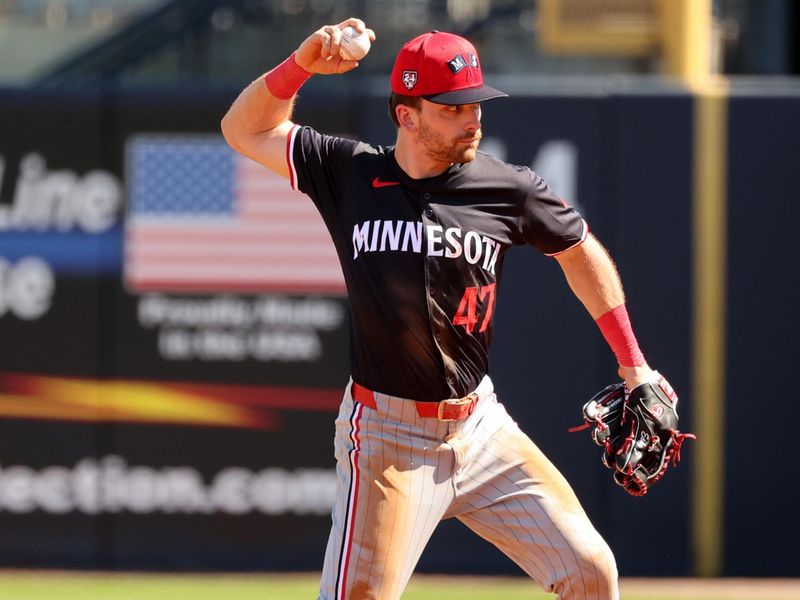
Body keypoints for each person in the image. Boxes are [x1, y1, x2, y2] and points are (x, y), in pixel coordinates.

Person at [222, 18, 668, 600]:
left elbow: (581, 251)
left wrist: (633, 363)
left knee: (591, 571)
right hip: (387, 436)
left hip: (480, 428)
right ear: (406, 113)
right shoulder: (350, 171)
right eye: (452, 107)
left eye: (476, 103)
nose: (473, 117)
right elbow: (242, 129)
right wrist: (301, 65)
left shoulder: (510, 189)